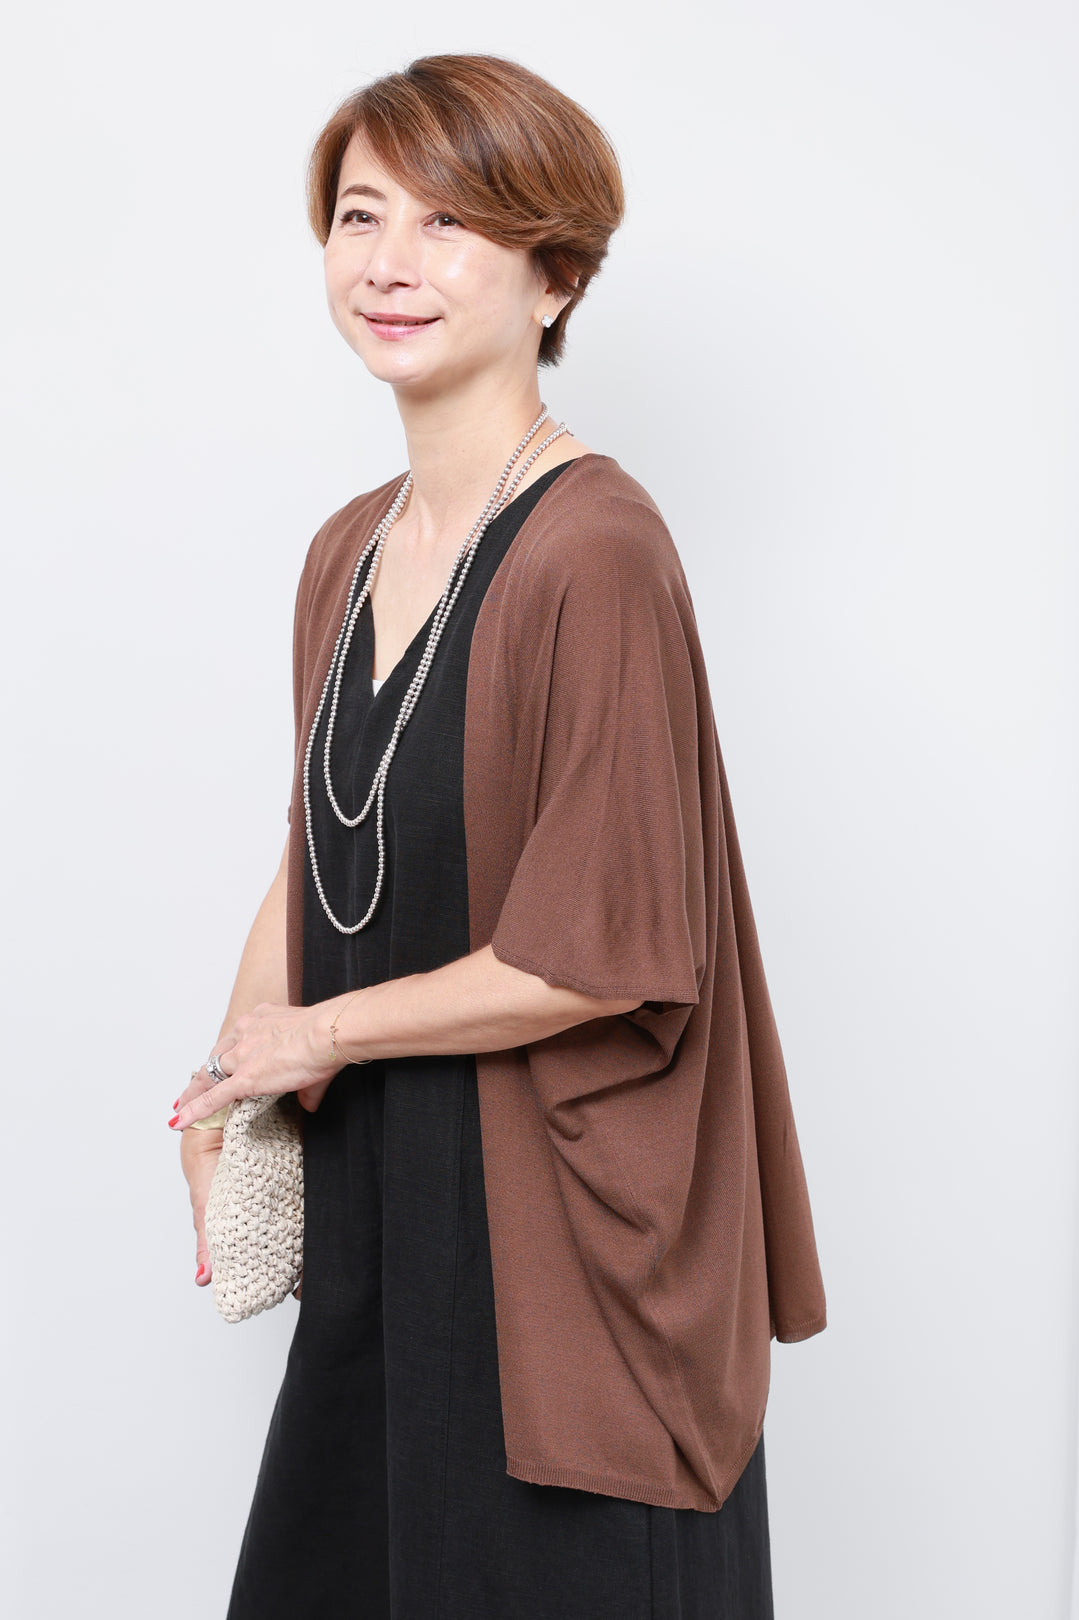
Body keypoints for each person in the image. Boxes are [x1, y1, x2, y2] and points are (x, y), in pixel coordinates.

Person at [172, 53, 827, 1620]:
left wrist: (320, 1032)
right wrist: (231, 1070)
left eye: (450, 220)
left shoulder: (597, 550)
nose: (389, 261)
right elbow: (320, 840)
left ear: (557, 276)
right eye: (359, 216)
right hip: (386, 1211)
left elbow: (602, 956)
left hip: (561, 1241)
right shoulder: (347, 551)